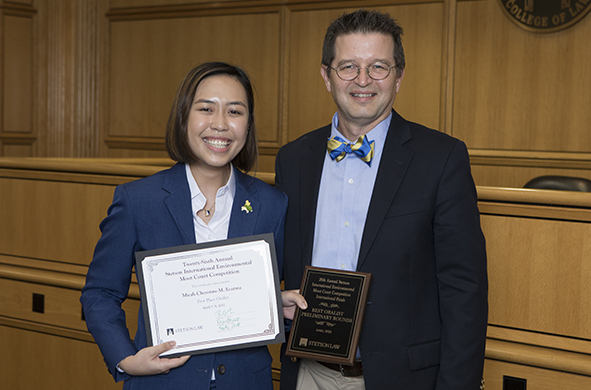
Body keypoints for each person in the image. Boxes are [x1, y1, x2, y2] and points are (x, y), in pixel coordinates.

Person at [275, 9, 488, 390]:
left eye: (378, 67)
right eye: (348, 67)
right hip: (307, 373)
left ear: (399, 76)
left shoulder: (441, 158)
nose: (362, 80)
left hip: (400, 379)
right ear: (326, 76)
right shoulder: (293, 159)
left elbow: (464, 290)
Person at [81, 62, 306, 390]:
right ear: (184, 116)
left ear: (248, 124)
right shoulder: (138, 200)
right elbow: (100, 293)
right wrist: (126, 359)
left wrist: (274, 300)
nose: (220, 125)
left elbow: (253, 292)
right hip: (163, 382)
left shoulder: (272, 204)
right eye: (206, 109)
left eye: (234, 111)